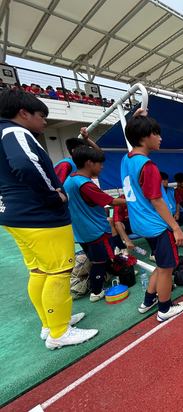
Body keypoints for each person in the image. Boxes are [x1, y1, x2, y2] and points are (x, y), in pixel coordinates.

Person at [0, 89, 97, 349]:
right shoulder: (15, 132)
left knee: (39, 270)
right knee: (59, 271)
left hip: (16, 215)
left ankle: (50, 323)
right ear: (23, 113)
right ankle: (59, 332)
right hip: (39, 217)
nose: (44, 122)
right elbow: (25, 164)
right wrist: (54, 195)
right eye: (41, 116)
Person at [120, 111, 183, 322]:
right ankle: (165, 309)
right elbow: (157, 200)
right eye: (156, 133)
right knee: (167, 268)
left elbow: (132, 135)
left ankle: (148, 300)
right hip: (157, 225)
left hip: (140, 223)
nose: (160, 138)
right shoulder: (148, 166)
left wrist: (136, 119)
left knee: (160, 264)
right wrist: (175, 227)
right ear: (144, 136)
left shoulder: (126, 159)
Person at [63, 146, 126, 302]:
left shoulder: (70, 180)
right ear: (89, 163)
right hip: (95, 231)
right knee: (99, 262)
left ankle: (115, 274)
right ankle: (96, 292)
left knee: (97, 259)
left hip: (81, 231)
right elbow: (111, 201)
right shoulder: (85, 184)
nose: (102, 167)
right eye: (100, 163)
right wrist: (134, 201)